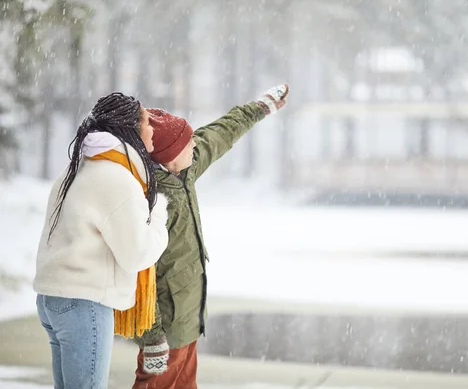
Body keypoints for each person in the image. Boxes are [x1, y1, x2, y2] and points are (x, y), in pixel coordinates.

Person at [131, 84, 289, 388]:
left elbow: (219, 133)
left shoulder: (184, 170)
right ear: (169, 155)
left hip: (188, 316)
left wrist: (260, 107)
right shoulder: (150, 198)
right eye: (187, 143)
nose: (194, 145)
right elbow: (140, 271)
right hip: (166, 326)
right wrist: (152, 338)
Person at [34, 92, 170, 389]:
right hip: (84, 304)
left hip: (53, 298)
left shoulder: (77, 168)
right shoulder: (117, 178)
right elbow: (138, 254)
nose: (152, 130)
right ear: (130, 129)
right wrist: (158, 211)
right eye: (147, 123)